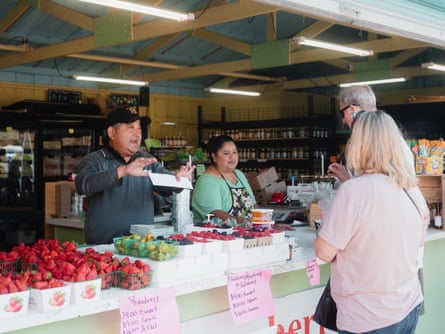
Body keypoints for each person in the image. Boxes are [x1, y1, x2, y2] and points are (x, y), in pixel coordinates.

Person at [314, 110, 429, 333]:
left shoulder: (353, 191)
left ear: (358, 144)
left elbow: (324, 251)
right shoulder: (411, 188)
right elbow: (418, 241)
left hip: (368, 316)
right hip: (408, 306)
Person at [75, 106, 195, 244]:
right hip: (103, 248)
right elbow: (83, 185)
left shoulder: (145, 160)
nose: (137, 134)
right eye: (131, 127)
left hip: (142, 246)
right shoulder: (94, 159)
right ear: (112, 132)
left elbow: (166, 188)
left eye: (139, 129)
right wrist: (123, 171)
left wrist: (178, 179)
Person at [192, 134, 256, 225]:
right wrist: (244, 222)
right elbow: (215, 214)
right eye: (226, 153)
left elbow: (254, 204)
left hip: (249, 232)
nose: (232, 157)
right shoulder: (207, 181)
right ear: (214, 156)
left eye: (234, 152)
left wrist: (262, 221)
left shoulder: (239, 174)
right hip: (221, 235)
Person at [328, 85, 377, 182]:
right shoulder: (389, 135)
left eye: (342, 113)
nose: (343, 120)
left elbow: (368, 188)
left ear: (353, 110)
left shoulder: (366, 141)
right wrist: (346, 178)